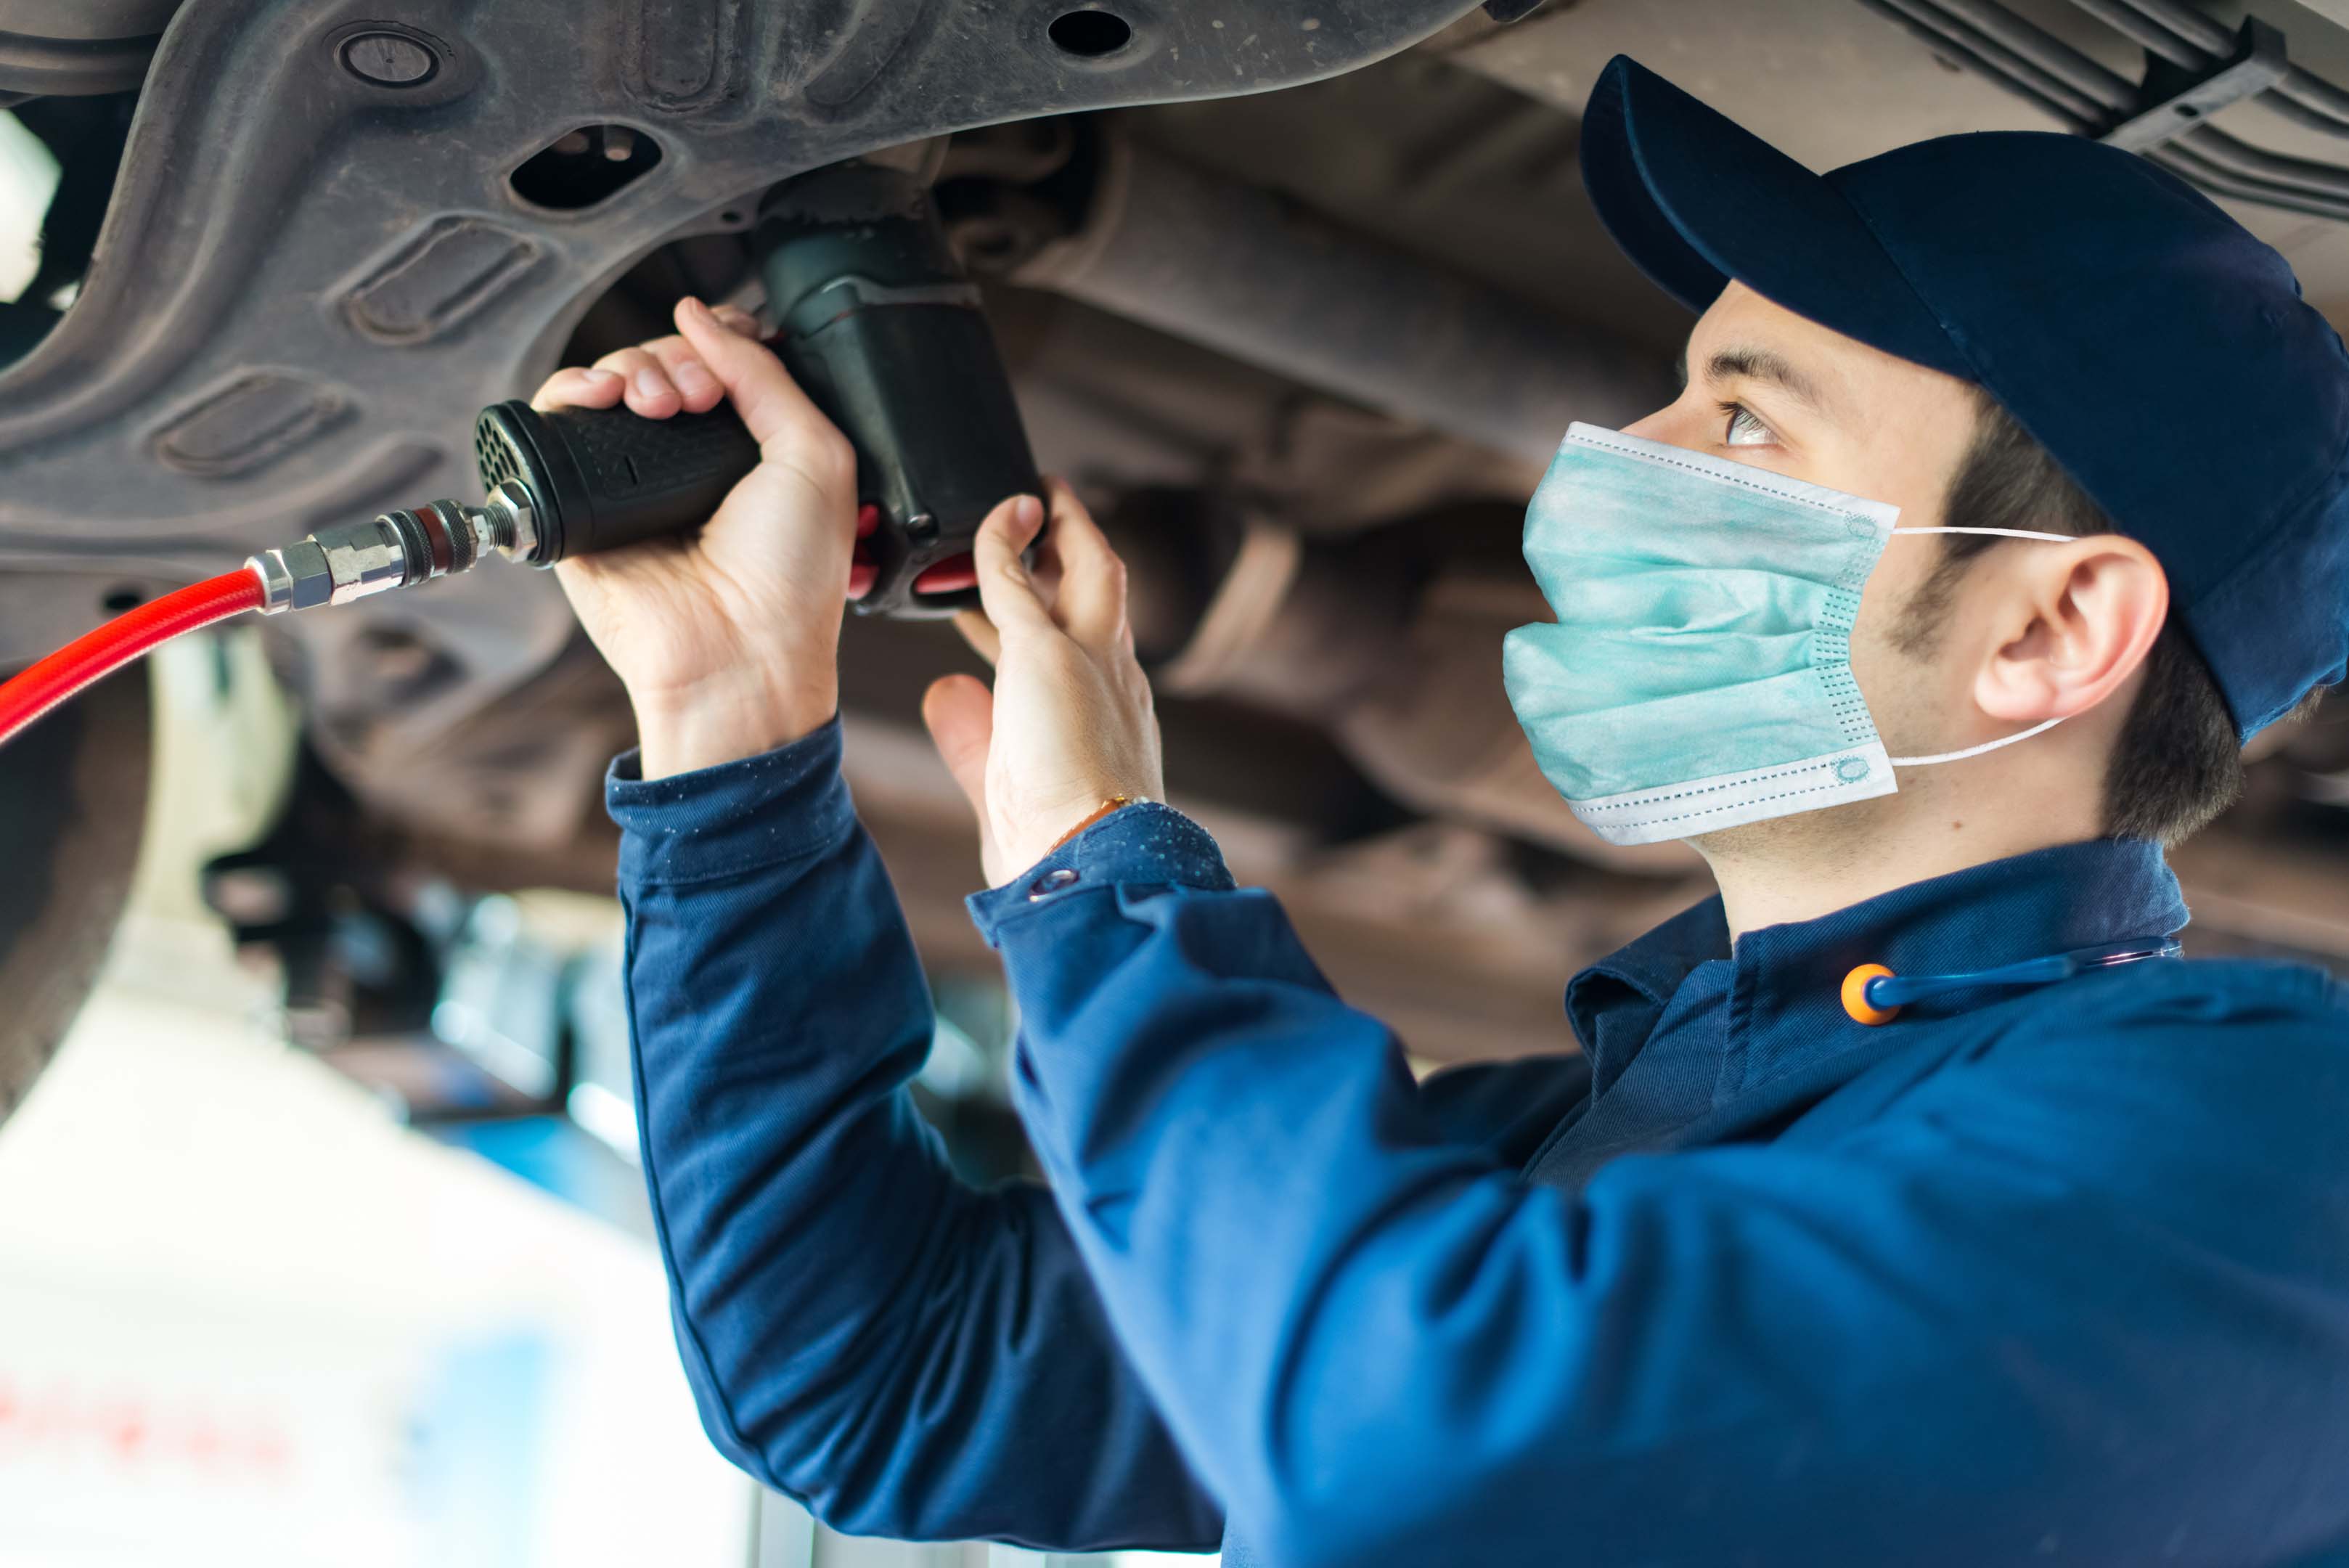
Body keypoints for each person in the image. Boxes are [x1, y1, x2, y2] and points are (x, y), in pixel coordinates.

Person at [530, 56, 2349, 1568]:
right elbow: (886, 1375)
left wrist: (1103, 879)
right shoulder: (1634, 1118)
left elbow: (1417, 1445)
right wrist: (728, 733)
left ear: (2049, 626)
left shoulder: (2266, 1149)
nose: (1609, 453)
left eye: (1739, 426)